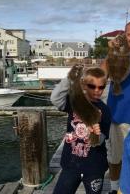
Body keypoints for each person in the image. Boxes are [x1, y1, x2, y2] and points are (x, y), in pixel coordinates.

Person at [101, 21, 130, 193]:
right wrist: (110, 52)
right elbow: (101, 75)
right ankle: (114, 189)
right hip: (117, 115)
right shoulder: (116, 53)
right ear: (125, 35)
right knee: (115, 158)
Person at [50, 66, 111, 194]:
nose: (97, 91)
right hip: (71, 164)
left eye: (101, 87)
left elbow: (102, 139)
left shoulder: (105, 110)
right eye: (92, 86)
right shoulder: (75, 101)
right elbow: (55, 99)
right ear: (84, 85)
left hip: (95, 166)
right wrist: (69, 79)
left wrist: (96, 134)